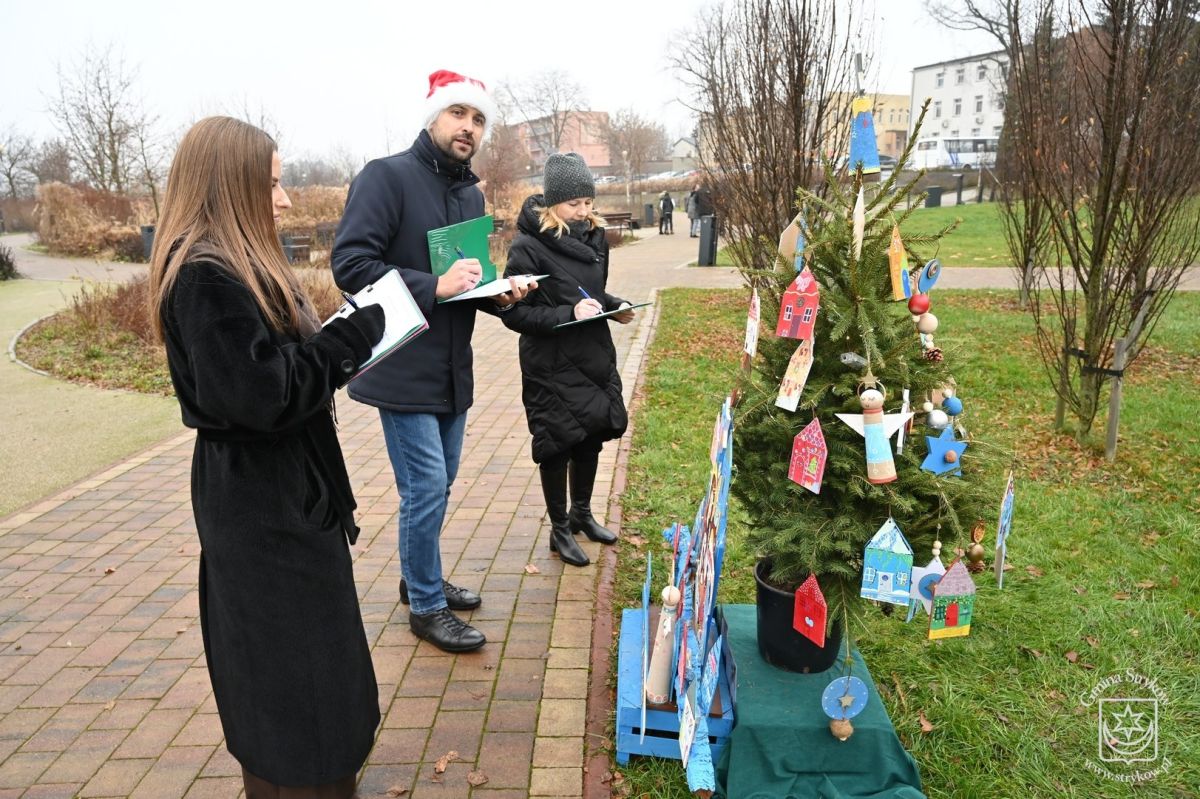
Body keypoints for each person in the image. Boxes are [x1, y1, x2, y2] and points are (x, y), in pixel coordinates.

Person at [149, 116, 383, 798]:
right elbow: (263, 394)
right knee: (294, 684)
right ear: (230, 185)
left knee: (308, 675)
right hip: (263, 506)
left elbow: (270, 369)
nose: (283, 199)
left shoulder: (231, 266)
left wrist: (337, 334)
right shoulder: (206, 276)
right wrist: (350, 340)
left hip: (280, 492)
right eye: (271, 183)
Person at [332, 70, 533, 653]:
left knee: (439, 487)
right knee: (425, 487)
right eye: (458, 114)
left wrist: (496, 293)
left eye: (479, 119)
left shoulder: (470, 195)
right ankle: (424, 605)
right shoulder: (386, 176)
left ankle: (418, 575)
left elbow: (464, 279)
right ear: (434, 117)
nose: (469, 127)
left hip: (451, 367)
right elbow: (350, 264)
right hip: (401, 365)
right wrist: (433, 285)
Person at [501, 153, 633, 567]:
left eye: (588, 201)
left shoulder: (594, 237)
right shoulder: (527, 245)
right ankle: (559, 530)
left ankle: (582, 515)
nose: (583, 210)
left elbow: (590, 292)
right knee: (557, 443)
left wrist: (615, 306)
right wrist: (568, 314)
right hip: (550, 362)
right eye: (573, 203)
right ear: (552, 201)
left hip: (591, 354)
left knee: (589, 436)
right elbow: (515, 313)